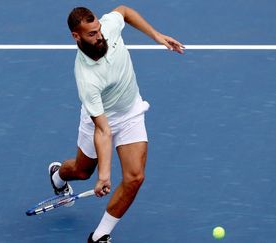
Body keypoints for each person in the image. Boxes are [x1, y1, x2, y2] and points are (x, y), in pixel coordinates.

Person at [48, 5, 184, 242]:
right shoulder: (86, 79)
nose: (99, 36)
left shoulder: (108, 28)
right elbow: (103, 130)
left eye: (98, 30)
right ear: (75, 36)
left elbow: (124, 10)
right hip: (99, 121)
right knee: (82, 171)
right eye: (91, 34)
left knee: (135, 177)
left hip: (131, 112)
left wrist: (156, 36)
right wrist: (104, 175)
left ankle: (100, 235)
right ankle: (58, 175)